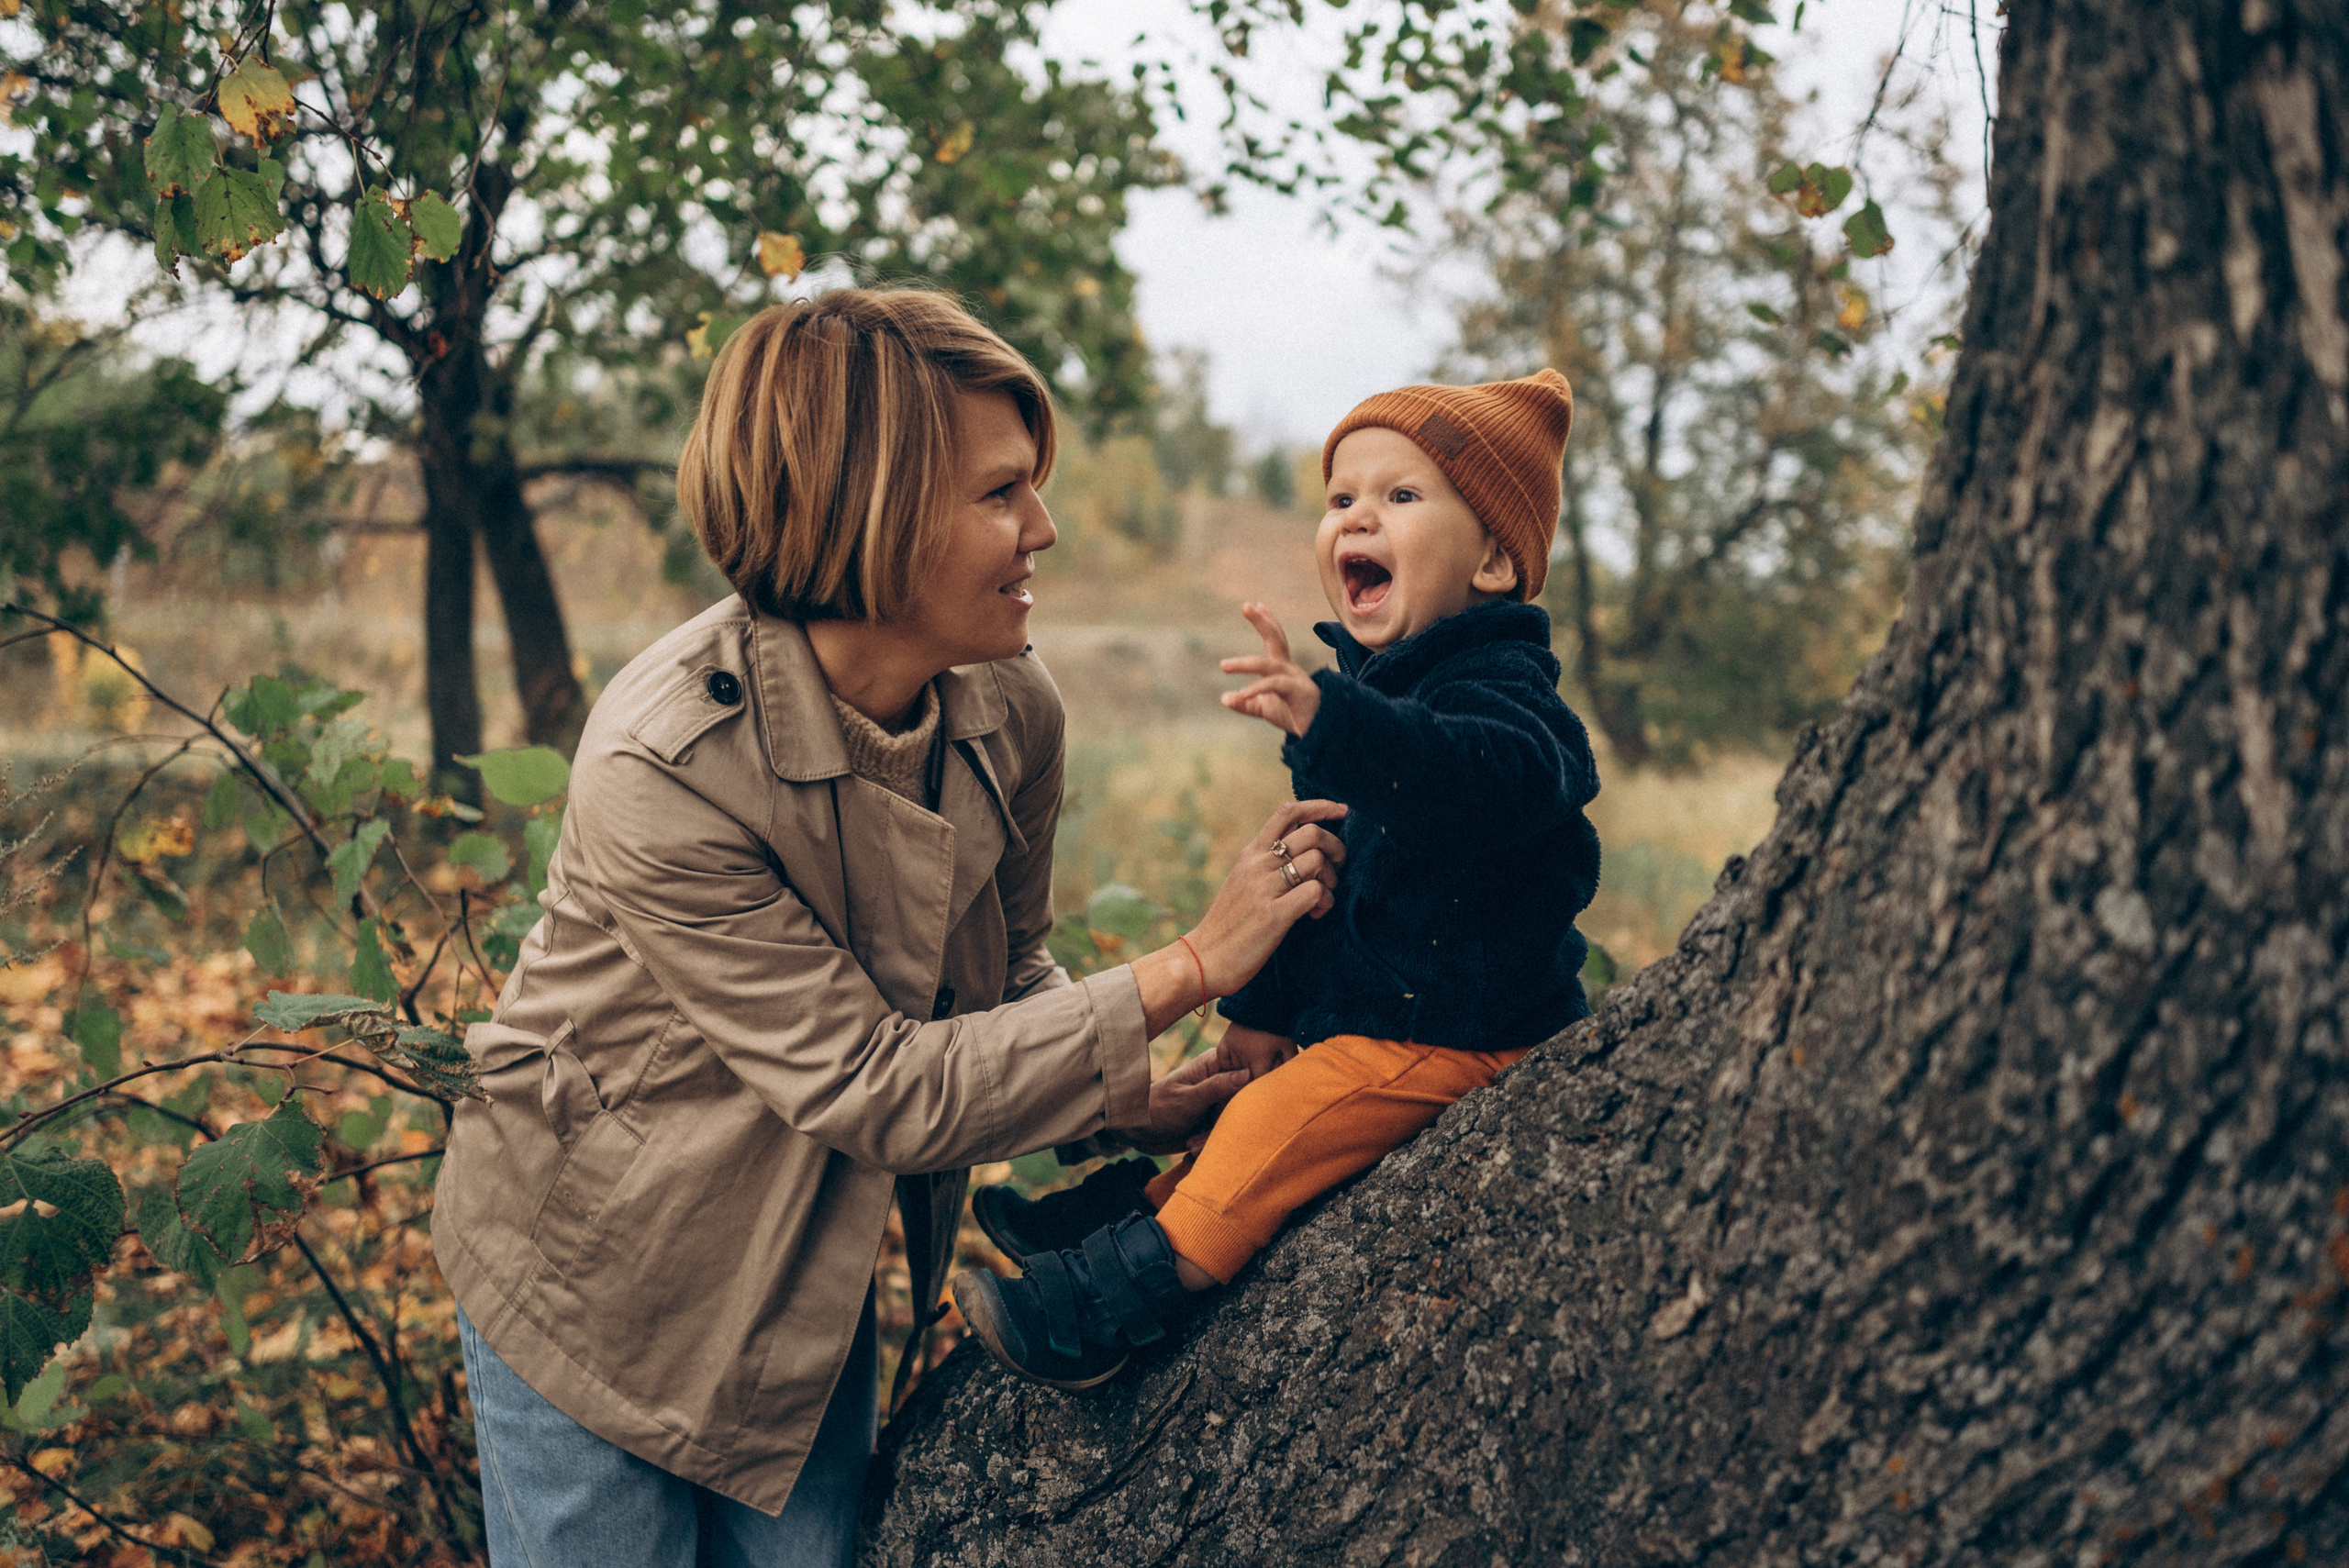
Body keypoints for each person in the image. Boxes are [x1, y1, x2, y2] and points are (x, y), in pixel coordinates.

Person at [432, 288, 1350, 1565]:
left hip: (798, 1293)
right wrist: (1190, 964)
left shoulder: (1012, 709)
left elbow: (996, 979)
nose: (1044, 528)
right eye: (999, 494)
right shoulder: (666, 762)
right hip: (594, 1296)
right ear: (865, 511)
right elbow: (875, 1079)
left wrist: (1116, 1094)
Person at [952, 369, 1601, 1387]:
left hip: (1465, 1032)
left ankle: (1111, 1310)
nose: (1356, 516)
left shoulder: (1503, 690)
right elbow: (1319, 869)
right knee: (1247, 1090)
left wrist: (1333, 721)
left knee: (1273, 1122)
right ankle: (1128, 1216)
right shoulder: (1367, 696)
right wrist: (1256, 1006)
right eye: (1340, 497)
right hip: (1384, 1007)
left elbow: (1482, 779)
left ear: (1493, 556)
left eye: (1400, 496)